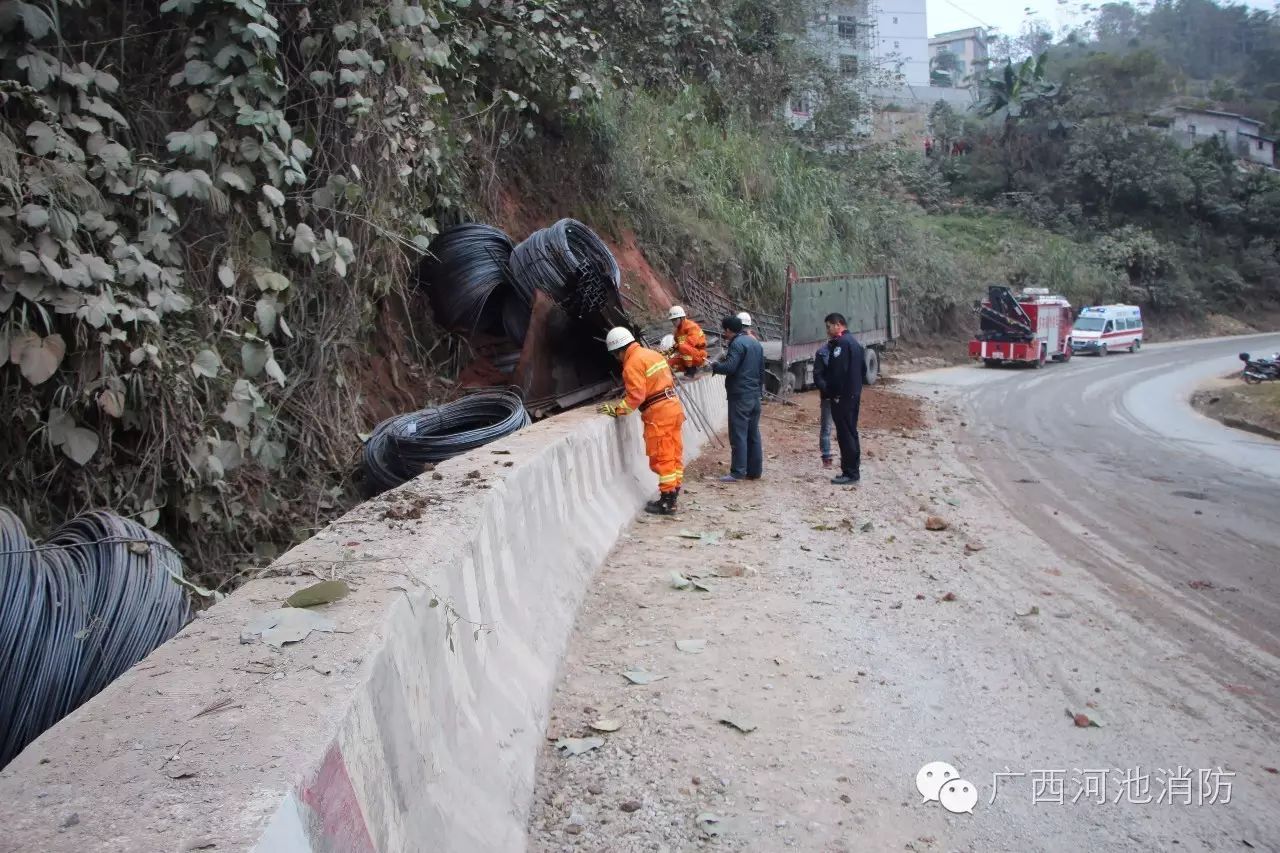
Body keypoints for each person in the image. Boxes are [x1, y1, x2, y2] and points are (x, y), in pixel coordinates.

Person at [598, 327, 686, 515]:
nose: (617, 359)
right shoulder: (651, 354)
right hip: (673, 407)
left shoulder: (632, 365)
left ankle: (667, 502)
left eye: (616, 355)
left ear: (619, 351)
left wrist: (617, 410)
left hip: (659, 414)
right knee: (674, 452)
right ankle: (674, 491)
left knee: (662, 456)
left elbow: (636, 396)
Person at [711, 315, 764, 482]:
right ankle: (754, 471)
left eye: (724, 331)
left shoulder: (736, 344)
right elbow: (761, 369)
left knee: (738, 433)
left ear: (728, 330)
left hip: (740, 396)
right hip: (754, 395)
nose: (724, 334)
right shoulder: (755, 342)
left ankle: (737, 472)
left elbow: (730, 367)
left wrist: (714, 366)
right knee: (752, 433)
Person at [821, 313, 864, 486]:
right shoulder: (855, 342)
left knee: (846, 434)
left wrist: (833, 393)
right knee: (851, 432)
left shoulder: (842, 344)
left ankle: (850, 473)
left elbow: (837, 374)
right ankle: (853, 468)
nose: (828, 330)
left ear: (838, 324)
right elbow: (862, 370)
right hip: (853, 394)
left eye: (829, 326)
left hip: (843, 397)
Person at [811, 333, 835, 469]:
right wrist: (826, 390)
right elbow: (817, 375)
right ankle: (826, 457)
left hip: (842, 396)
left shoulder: (845, 352)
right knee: (826, 427)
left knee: (843, 427)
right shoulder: (822, 353)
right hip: (828, 396)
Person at [666, 305, 707, 377]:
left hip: (699, 355)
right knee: (668, 362)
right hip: (687, 355)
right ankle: (685, 368)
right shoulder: (677, 332)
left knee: (683, 347)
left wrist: (679, 346)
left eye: (675, 319)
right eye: (672, 320)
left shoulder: (692, 327)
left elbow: (691, 342)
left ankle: (691, 370)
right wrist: (671, 350)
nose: (673, 322)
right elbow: (678, 345)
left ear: (682, 318)